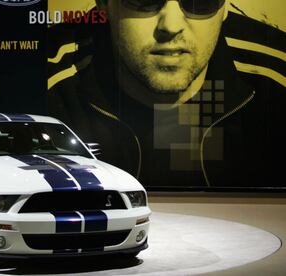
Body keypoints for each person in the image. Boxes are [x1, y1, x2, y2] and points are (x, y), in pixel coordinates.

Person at [48, 0, 286, 189]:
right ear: (104, 4)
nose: (171, 26)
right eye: (144, 0)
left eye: (199, 2)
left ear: (224, 8)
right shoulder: (46, 77)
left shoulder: (276, 78)